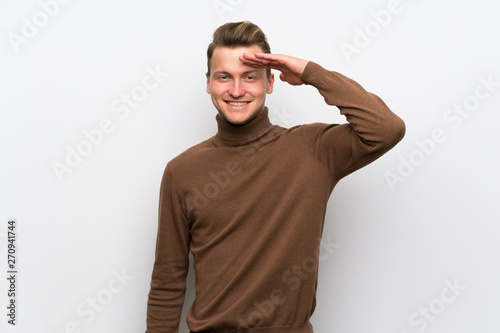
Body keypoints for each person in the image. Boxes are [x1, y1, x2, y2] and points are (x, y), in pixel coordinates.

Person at [146, 21, 405, 333]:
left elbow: (385, 129)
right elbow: (168, 281)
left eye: (250, 77)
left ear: (270, 83)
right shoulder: (182, 171)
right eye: (224, 77)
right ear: (208, 83)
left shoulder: (313, 150)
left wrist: (311, 73)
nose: (237, 90)